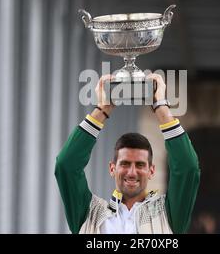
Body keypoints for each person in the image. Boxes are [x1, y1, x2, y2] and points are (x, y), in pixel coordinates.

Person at [55, 74, 200, 234]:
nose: (132, 172)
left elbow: (188, 168)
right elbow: (66, 166)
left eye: (140, 165)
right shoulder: (90, 214)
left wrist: (161, 107)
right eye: (125, 164)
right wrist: (102, 110)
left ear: (151, 170)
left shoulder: (168, 214)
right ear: (112, 168)